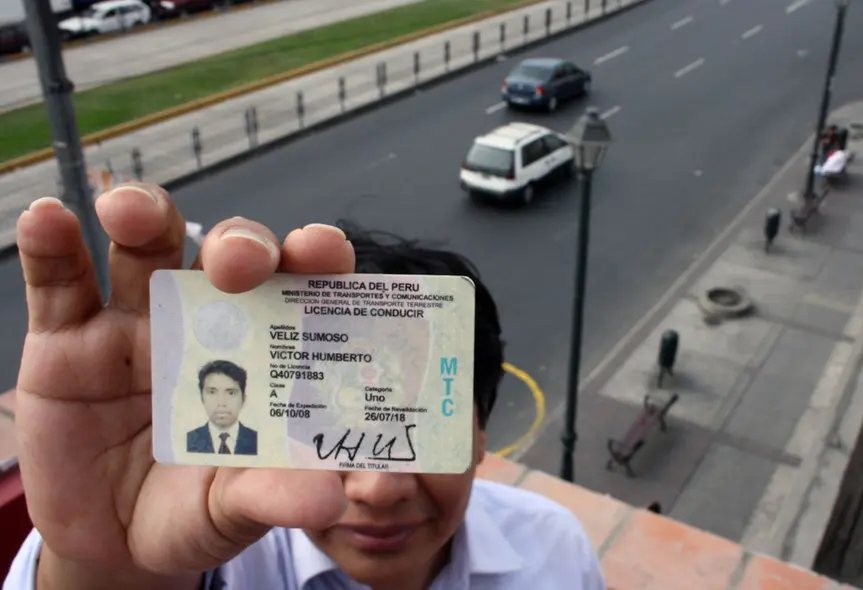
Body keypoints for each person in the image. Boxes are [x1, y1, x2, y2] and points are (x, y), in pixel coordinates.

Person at [4, 184, 605, 590]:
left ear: (478, 434)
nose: (376, 487)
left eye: (417, 428)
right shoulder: (217, 564)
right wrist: (101, 571)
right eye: (330, 428)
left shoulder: (556, 550)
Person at [186, 359, 258, 455]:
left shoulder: (258, 441)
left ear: (243, 398)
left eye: (231, 393)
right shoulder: (188, 441)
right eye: (212, 392)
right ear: (202, 397)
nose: (221, 403)